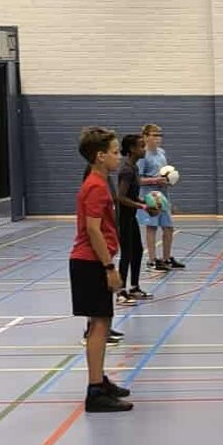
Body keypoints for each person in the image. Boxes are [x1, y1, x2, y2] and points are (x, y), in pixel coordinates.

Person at [72, 126, 134, 413]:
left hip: (92, 261)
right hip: (91, 263)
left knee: (102, 323)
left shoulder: (97, 182)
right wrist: (109, 267)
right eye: (115, 152)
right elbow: (93, 230)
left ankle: (100, 380)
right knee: (98, 326)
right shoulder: (96, 187)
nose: (118, 157)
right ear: (100, 156)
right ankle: (95, 391)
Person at [137, 123, 185, 270]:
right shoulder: (142, 156)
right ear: (145, 137)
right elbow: (137, 179)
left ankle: (166, 258)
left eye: (160, 135)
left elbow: (164, 174)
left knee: (168, 227)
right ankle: (152, 260)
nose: (158, 138)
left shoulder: (161, 153)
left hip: (163, 196)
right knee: (152, 227)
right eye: (154, 135)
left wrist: (169, 180)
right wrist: (155, 180)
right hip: (149, 196)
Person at [114, 133, 153, 305]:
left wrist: (144, 202)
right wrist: (142, 207)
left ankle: (134, 287)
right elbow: (120, 197)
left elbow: (132, 195)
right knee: (127, 254)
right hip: (123, 218)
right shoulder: (126, 170)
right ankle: (120, 292)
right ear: (131, 149)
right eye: (141, 146)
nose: (144, 149)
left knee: (137, 251)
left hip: (131, 216)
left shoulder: (134, 168)